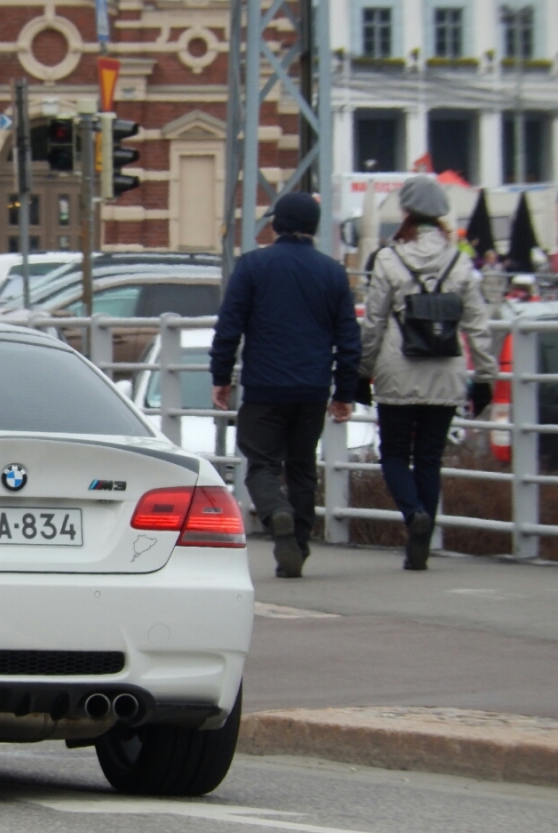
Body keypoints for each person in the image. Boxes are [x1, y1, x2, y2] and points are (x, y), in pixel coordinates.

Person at [210, 192, 360, 579]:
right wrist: (344, 392)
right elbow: (348, 337)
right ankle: (298, 547)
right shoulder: (332, 272)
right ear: (314, 227)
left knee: (261, 463)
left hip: (264, 384)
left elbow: (229, 327)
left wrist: (221, 377)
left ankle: (276, 512)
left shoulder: (252, 266)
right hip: (312, 387)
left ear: (275, 224)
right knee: (302, 466)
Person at [360, 176, 497, 572]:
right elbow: (477, 324)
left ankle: (413, 514)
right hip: (446, 372)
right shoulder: (459, 261)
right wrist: (485, 376)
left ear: (405, 212)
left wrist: (362, 372)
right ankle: (423, 536)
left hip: (397, 371)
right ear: (440, 216)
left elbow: (373, 324)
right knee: (430, 459)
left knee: (394, 455)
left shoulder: (389, 259)